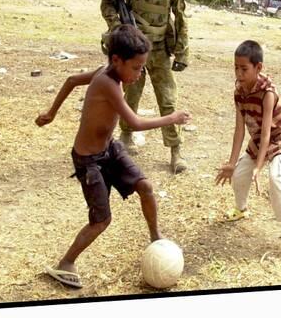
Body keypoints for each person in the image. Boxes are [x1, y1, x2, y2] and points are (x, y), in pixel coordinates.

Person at [35, 24, 191, 288]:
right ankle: (66, 263)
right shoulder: (107, 83)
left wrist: (52, 113)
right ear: (116, 60)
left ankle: (155, 237)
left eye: (142, 67)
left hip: (109, 149)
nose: (139, 73)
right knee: (101, 221)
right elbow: (135, 122)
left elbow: (72, 80)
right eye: (136, 67)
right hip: (89, 162)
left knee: (146, 187)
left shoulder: (109, 74)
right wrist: (172, 118)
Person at [100, 0, 189, 174]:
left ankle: (175, 150)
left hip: (159, 48)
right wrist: (120, 29)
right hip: (134, 48)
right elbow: (107, 2)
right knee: (130, 94)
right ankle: (125, 136)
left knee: (168, 99)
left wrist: (182, 51)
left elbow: (180, 15)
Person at [215, 40, 281, 258]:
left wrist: (259, 165)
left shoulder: (268, 93)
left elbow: (267, 132)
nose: (238, 73)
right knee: (239, 173)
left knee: (276, 177)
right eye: (236, 67)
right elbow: (239, 130)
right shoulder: (239, 91)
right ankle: (241, 209)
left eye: (244, 68)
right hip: (259, 139)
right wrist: (231, 162)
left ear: (258, 68)